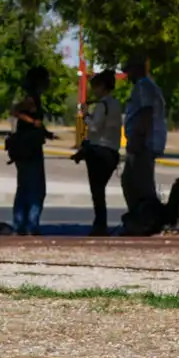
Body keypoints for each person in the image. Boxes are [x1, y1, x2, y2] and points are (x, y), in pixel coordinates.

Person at [120, 56, 167, 236]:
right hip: (146, 142)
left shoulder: (143, 87)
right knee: (133, 181)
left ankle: (144, 222)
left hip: (143, 144)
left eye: (129, 70)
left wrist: (136, 140)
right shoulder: (148, 86)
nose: (127, 75)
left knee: (137, 184)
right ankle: (141, 220)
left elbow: (146, 113)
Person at [75, 70, 122, 236]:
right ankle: (101, 223)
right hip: (112, 151)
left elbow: (94, 127)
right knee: (100, 189)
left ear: (102, 87)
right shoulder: (116, 104)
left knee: (97, 191)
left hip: (99, 150)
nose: (94, 91)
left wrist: (86, 114)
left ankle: (100, 224)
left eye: (95, 87)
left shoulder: (102, 105)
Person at [6, 68, 52, 235]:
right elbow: (15, 111)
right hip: (29, 148)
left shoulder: (34, 98)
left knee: (25, 186)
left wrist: (45, 132)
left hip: (26, 147)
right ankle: (30, 224)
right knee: (35, 188)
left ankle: (21, 224)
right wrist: (33, 122)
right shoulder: (31, 98)